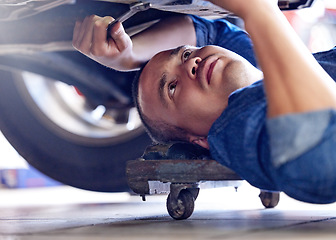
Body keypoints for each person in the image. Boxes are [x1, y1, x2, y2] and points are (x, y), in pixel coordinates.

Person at [73, 0, 336, 204]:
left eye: (186, 53)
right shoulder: (233, 127)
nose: (191, 63)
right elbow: (318, 165)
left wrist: (129, 57)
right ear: (201, 140)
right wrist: (259, 12)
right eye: (173, 88)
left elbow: (207, 30)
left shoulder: (258, 74)